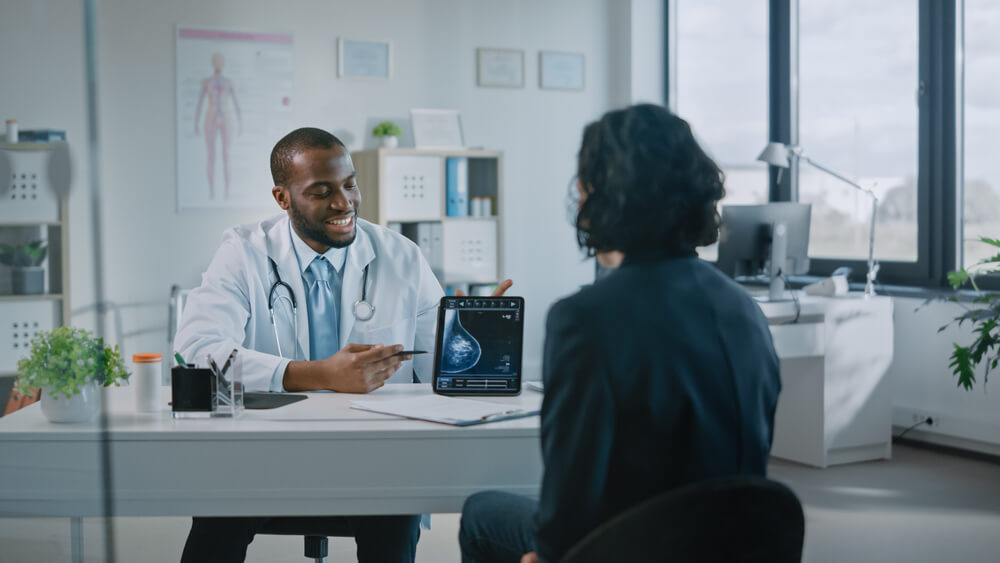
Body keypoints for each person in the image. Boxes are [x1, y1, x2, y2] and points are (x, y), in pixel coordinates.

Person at [458, 104, 781, 563]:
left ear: (594, 195)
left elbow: (572, 486)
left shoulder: (585, 318)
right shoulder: (742, 307)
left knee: (481, 512)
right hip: (735, 542)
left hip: (635, 546)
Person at [174, 127, 509, 563]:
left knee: (393, 522)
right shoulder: (244, 252)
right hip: (264, 454)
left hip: (374, 457)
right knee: (215, 524)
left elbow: (438, 373)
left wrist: (474, 340)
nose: (344, 202)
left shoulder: (401, 256)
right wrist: (318, 375)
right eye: (322, 191)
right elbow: (197, 352)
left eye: (350, 184)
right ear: (282, 198)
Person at [194, 52, 242, 200]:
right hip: (211, 115)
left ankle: (227, 192)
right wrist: (195, 122)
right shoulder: (206, 81)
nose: (217, 63)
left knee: (226, 155)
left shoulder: (229, 82)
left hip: (226, 116)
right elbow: (200, 103)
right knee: (211, 156)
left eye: (219, 61)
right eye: (215, 61)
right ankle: (212, 193)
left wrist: (240, 123)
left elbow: (236, 104)